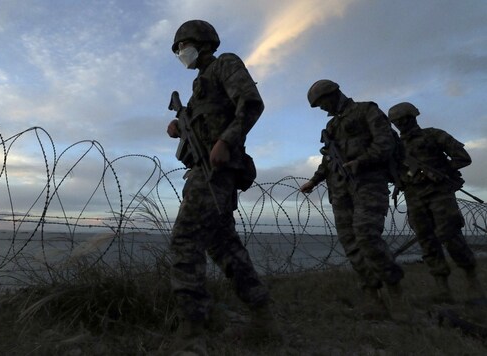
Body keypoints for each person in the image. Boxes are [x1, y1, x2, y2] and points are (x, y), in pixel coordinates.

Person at [166, 19, 276, 353]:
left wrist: (227, 141)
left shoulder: (225, 63)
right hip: (201, 171)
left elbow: (251, 103)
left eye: (183, 46)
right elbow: (206, 124)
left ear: (200, 42)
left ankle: (193, 324)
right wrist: (179, 127)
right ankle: (262, 311)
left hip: (216, 172)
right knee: (223, 245)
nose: (181, 53)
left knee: (185, 241)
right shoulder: (200, 86)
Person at [299, 80, 410, 321]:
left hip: (368, 184)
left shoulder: (366, 110)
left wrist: (362, 161)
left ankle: (394, 289)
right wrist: (315, 180)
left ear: (333, 94)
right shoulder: (332, 125)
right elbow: (329, 161)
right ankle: (373, 296)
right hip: (339, 190)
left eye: (323, 104)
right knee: (351, 243)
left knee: (367, 236)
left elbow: (385, 143)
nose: (323, 110)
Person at [388, 102, 485, 304]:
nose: (401, 124)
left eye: (404, 120)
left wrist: (442, 171)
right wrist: (399, 179)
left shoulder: (433, 135)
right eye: (397, 122)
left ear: (413, 117)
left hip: (439, 194)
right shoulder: (395, 146)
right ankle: (442, 289)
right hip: (414, 197)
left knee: (450, 236)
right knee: (427, 241)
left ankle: (472, 281)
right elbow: (391, 171)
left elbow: (463, 157)